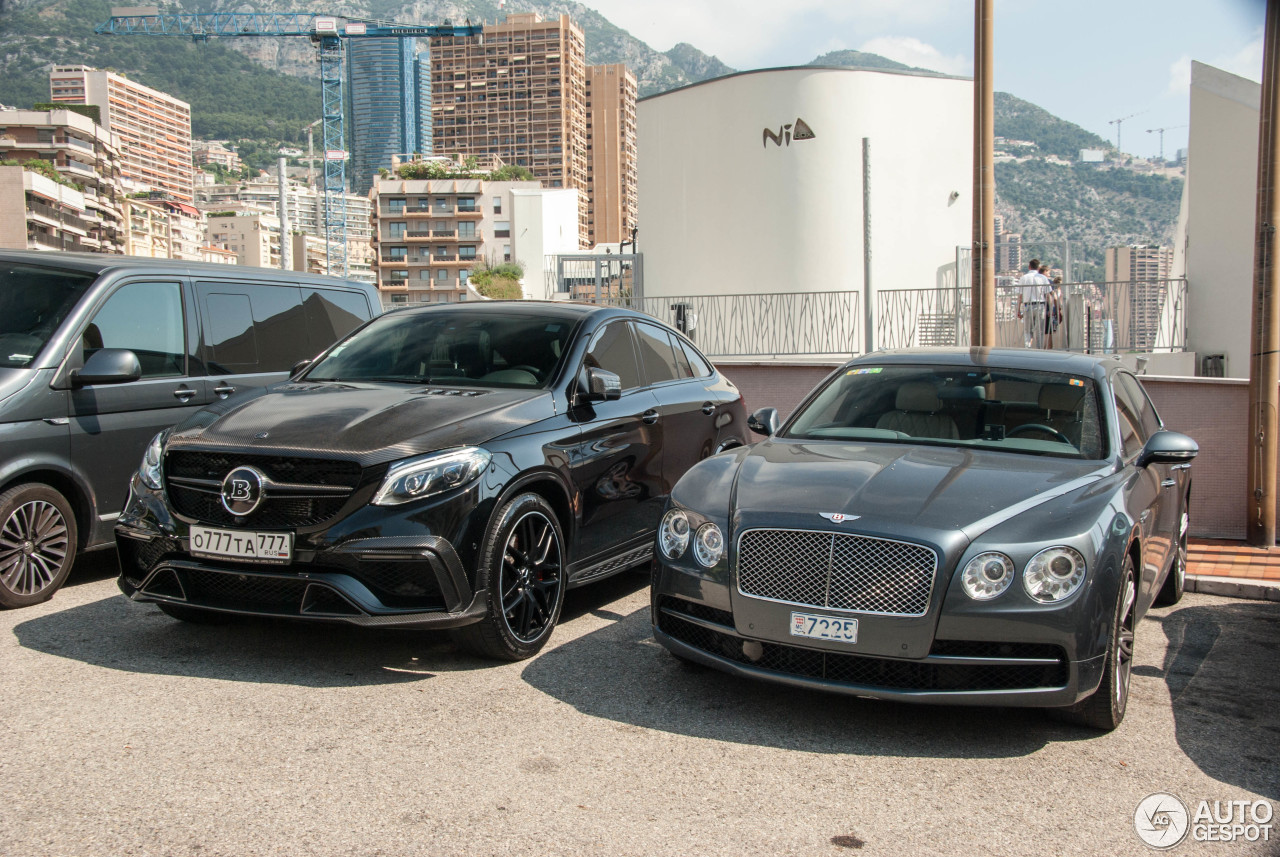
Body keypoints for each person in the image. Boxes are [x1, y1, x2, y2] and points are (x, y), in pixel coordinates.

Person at [1016, 259, 1052, 348]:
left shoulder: (1023, 278)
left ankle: (1027, 349)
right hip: (1040, 305)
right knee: (1039, 331)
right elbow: (1048, 295)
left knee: (1028, 331)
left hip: (1028, 306)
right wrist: (1050, 309)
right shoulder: (1043, 278)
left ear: (1029, 267)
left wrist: (1018, 310)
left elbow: (1020, 296)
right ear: (1039, 267)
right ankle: (1039, 350)